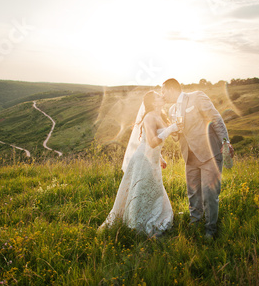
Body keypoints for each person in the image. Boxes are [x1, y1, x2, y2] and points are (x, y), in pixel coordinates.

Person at [99, 91, 179, 237]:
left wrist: (160, 157)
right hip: (143, 160)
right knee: (142, 190)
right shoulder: (149, 117)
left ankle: (149, 216)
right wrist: (170, 130)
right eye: (158, 96)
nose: (162, 96)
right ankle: (136, 224)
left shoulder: (160, 115)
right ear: (153, 102)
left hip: (152, 159)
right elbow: (152, 142)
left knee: (153, 189)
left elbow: (152, 143)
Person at [161, 78, 234, 239]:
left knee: (209, 194)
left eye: (163, 91)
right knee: (193, 193)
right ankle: (195, 223)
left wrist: (225, 142)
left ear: (172, 89)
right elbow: (177, 136)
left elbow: (216, 118)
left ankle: (210, 229)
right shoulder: (172, 110)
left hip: (209, 153)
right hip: (189, 156)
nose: (162, 95)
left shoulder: (196, 97)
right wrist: (174, 132)